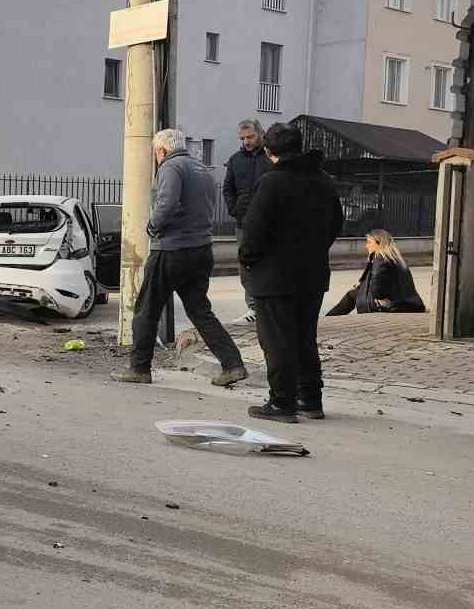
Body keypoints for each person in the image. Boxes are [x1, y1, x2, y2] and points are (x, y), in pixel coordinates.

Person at [112, 129, 248, 387]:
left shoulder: (170, 167)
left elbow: (167, 203)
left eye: (155, 152)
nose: (156, 157)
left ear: (161, 150)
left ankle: (139, 368)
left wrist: (152, 226)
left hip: (172, 249)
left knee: (146, 309)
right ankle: (232, 364)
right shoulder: (201, 170)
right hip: (201, 249)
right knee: (200, 310)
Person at [239, 122, 345, 423]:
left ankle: (282, 402)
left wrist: (249, 260)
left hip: (274, 275)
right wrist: (314, 249)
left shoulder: (271, 181)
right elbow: (336, 222)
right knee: (304, 337)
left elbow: (253, 229)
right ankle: (310, 399)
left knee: (276, 340)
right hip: (312, 273)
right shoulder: (323, 180)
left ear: (269, 151)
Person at [223, 118, 270, 323]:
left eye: (250, 136)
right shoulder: (235, 160)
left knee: (268, 263)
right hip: (243, 223)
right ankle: (253, 308)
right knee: (246, 266)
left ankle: (268, 306)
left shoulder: (271, 157)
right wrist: (234, 210)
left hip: (268, 223)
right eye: (242, 138)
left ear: (260, 133)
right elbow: (227, 189)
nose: (246, 141)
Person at [325, 229, 425, 316]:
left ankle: (329, 318)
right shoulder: (396, 258)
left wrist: (379, 297)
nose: (366, 246)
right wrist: (360, 285)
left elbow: (377, 277)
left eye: (369, 242)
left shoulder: (379, 257)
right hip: (404, 302)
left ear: (379, 243)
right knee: (353, 293)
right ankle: (330, 317)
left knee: (351, 295)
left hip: (388, 303)